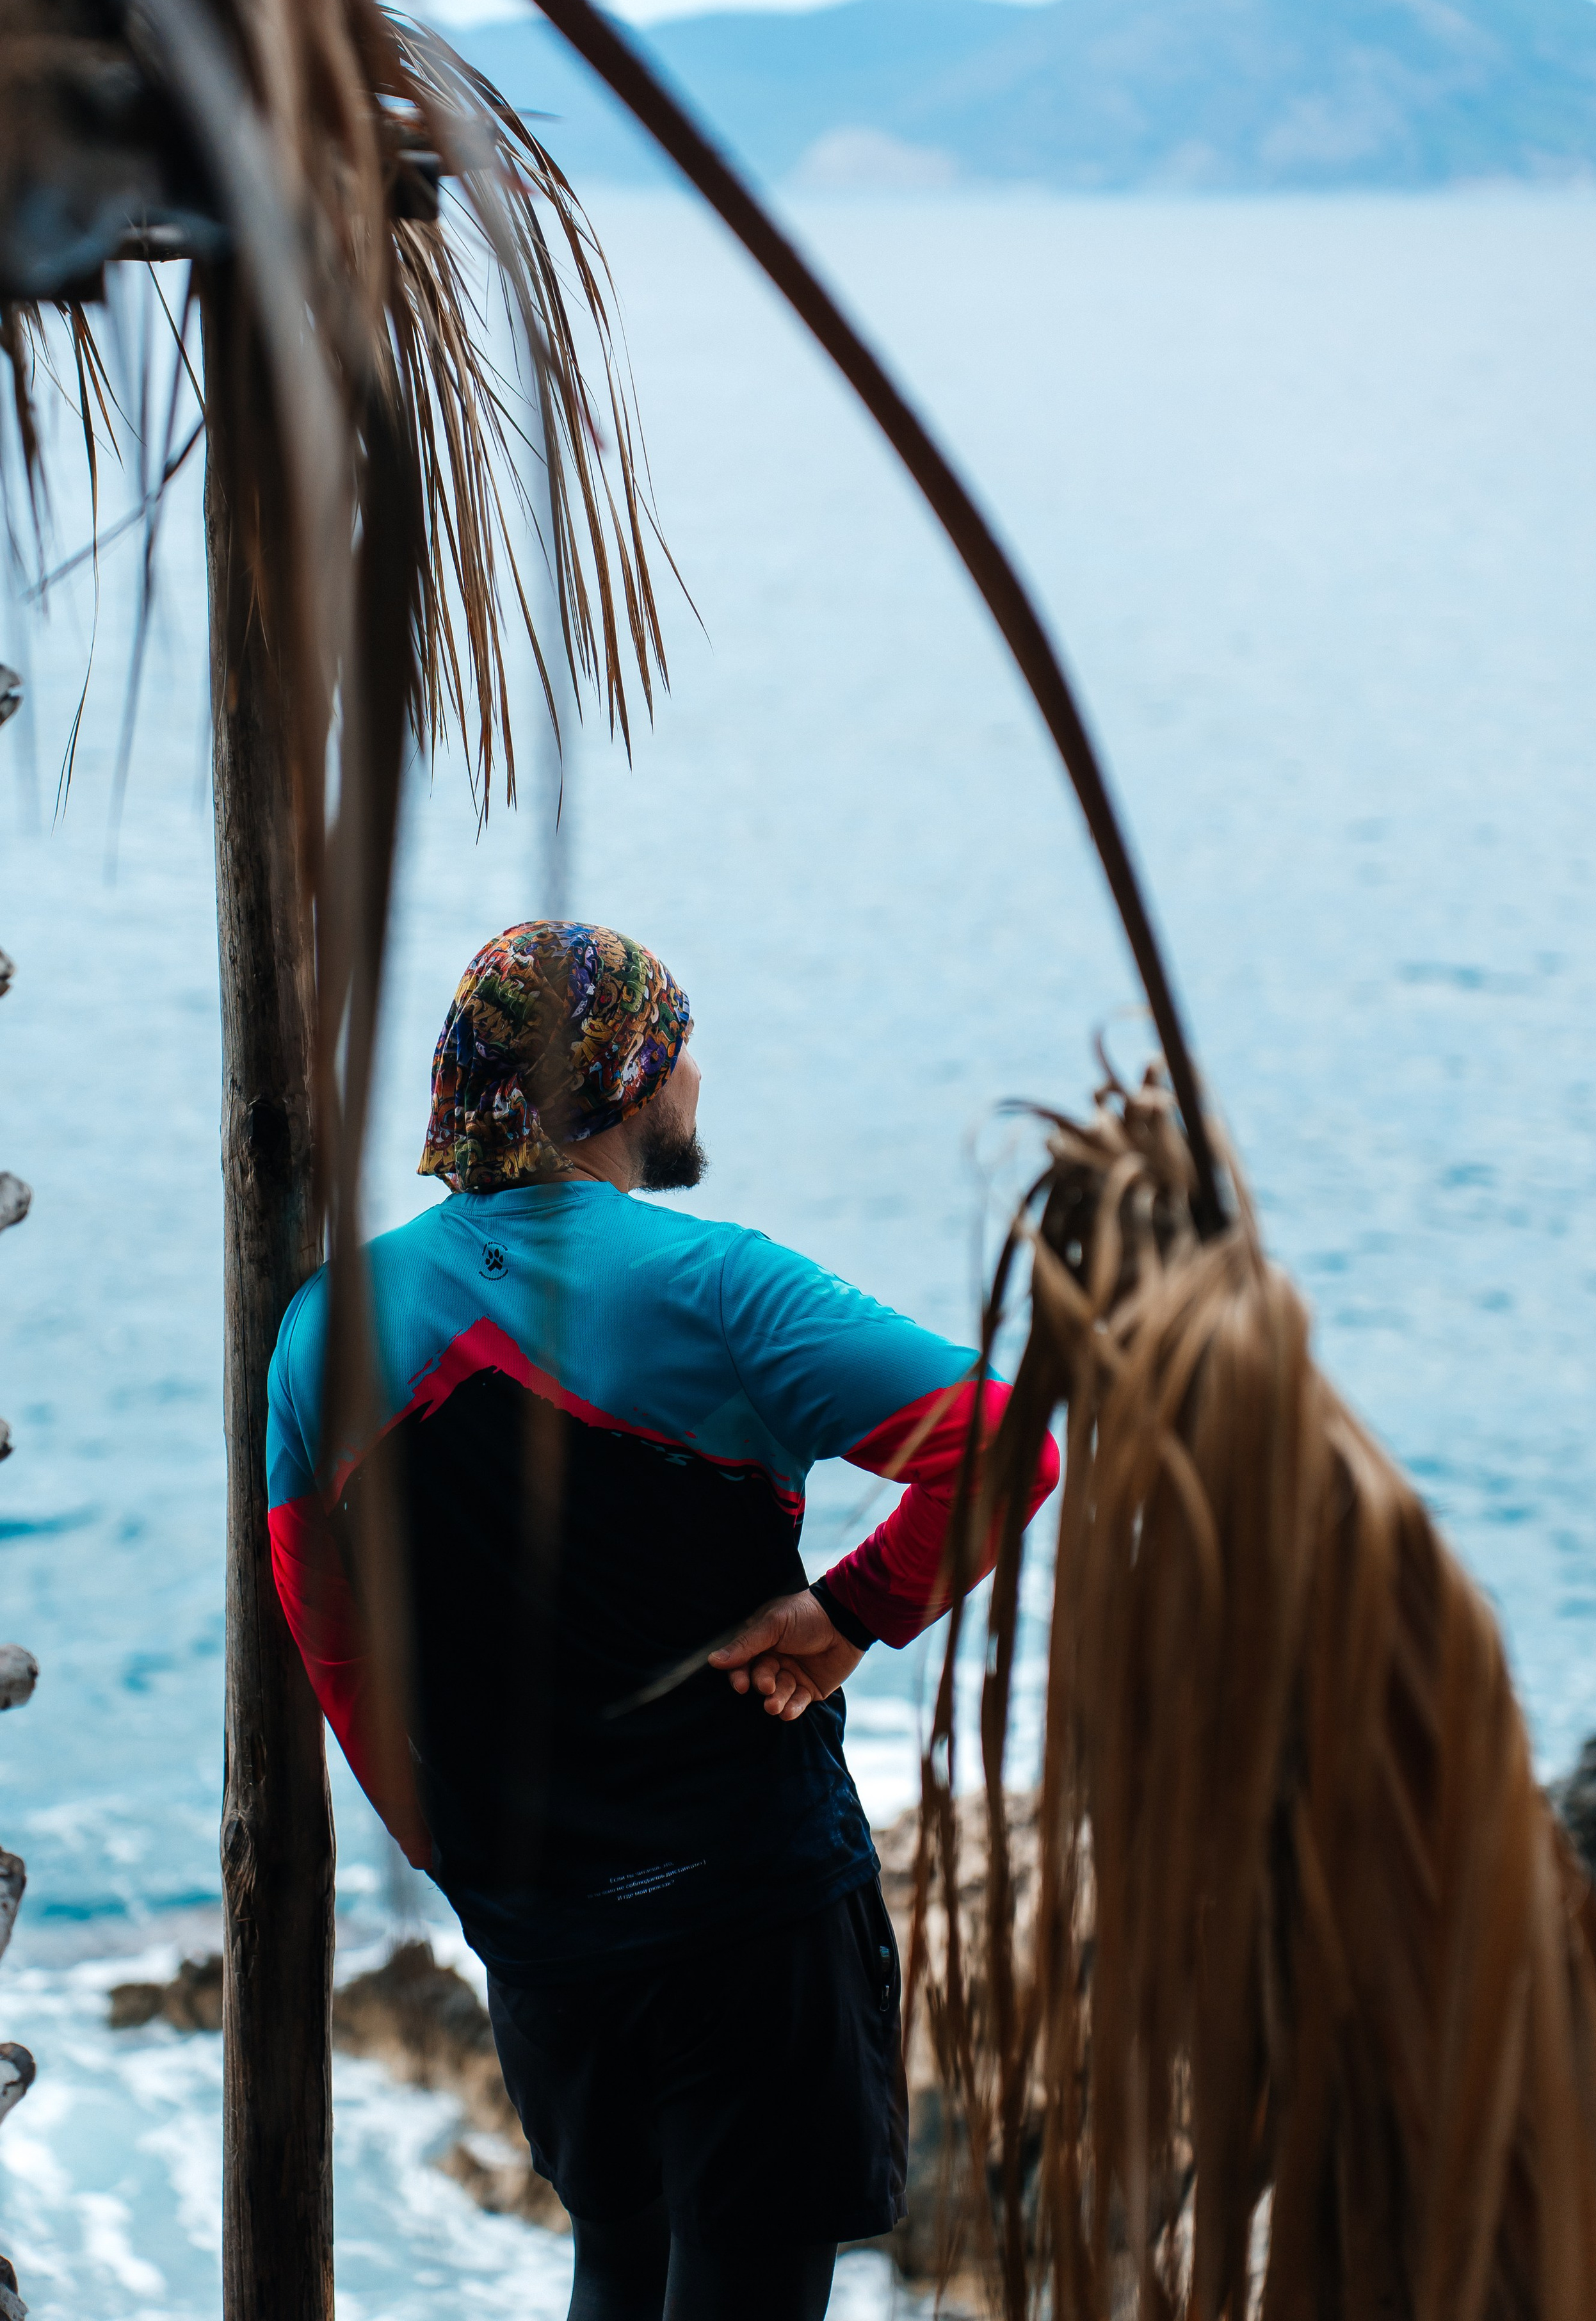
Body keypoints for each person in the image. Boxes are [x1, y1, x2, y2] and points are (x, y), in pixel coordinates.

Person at [266, 920, 1060, 2320]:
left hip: (544, 1925)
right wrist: (848, 1612)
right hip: (747, 1915)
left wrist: (451, 1851)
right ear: (627, 1080)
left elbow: (327, 1636)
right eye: (679, 1046)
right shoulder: (719, 1288)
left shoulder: (327, 1330)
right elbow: (1007, 1442)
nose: (695, 1079)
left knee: (617, 2266)